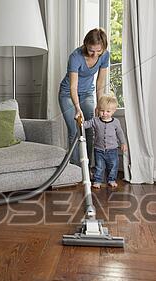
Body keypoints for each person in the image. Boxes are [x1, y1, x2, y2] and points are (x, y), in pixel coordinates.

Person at [58, 28, 110, 165]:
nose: (95, 54)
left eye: (99, 51)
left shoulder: (104, 55)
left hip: (87, 93)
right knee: (74, 131)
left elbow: (100, 82)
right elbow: (73, 86)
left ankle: (87, 167)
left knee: (90, 129)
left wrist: (100, 105)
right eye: (92, 50)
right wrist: (77, 108)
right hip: (68, 95)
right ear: (85, 44)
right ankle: (76, 168)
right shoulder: (75, 57)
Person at [83, 94, 128, 188]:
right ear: (98, 110)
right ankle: (98, 180)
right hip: (98, 149)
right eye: (102, 111)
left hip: (112, 149)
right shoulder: (95, 121)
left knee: (113, 165)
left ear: (113, 111)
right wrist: (80, 122)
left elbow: (120, 133)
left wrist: (123, 143)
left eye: (108, 111)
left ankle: (111, 179)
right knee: (99, 166)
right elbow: (85, 125)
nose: (104, 113)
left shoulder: (115, 122)